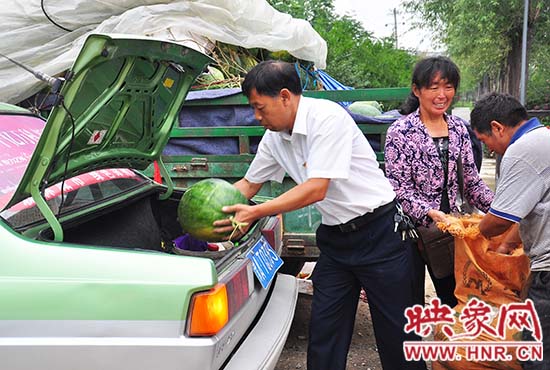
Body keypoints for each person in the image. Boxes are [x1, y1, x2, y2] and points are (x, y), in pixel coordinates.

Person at [214, 60, 425, 370]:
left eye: (261, 107)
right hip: (337, 241)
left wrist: (256, 211)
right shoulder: (274, 136)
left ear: (285, 96)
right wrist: (216, 213)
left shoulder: (327, 119)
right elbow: (248, 184)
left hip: (379, 234)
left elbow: (316, 189)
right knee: (325, 331)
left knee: (397, 334)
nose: (257, 116)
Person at [384, 56, 494, 308]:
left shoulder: (458, 128)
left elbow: (472, 182)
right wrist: (428, 211)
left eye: (448, 87)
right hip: (410, 231)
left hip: (451, 228)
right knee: (409, 303)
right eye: (433, 87)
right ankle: (409, 347)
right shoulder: (401, 132)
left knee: (456, 296)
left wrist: (501, 210)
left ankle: (452, 346)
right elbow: (397, 187)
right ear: (417, 90)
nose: (441, 94)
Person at [470, 92, 550, 370]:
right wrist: (505, 246)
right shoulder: (544, 138)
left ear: (497, 127)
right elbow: (532, 206)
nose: (491, 150)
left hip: (548, 272)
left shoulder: (522, 150)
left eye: (485, 141)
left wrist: (475, 232)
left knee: (538, 352)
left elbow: (498, 220)